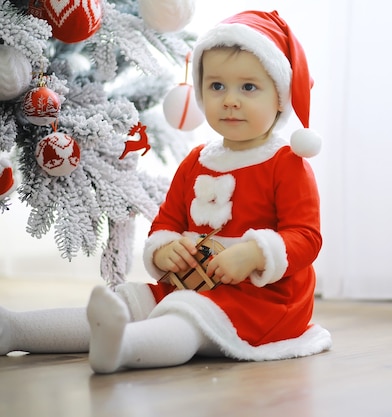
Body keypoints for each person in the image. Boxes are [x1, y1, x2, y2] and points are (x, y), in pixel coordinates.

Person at [0, 10, 331, 374]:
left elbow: (306, 237)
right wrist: (166, 250)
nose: (230, 100)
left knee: (187, 316)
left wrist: (254, 254)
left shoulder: (287, 163)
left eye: (248, 87)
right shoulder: (196, 161)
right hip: (194, 283)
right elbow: (167, 222)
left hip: (265, 301)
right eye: (217, 86)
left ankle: (123, 347)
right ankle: (15, 329)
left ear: (280, 97)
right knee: (128, 300)